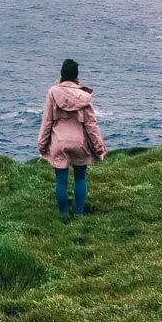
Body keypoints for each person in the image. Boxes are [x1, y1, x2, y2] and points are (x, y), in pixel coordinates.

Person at [38, 59, 107, 218]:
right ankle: (79, 213)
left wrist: (42, 145)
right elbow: (91, 125)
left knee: (61, 180)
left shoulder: (53, 92)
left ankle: (63, 215)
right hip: (80, 143)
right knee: (80, 177)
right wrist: (99, 148)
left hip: (59, 143)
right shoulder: (84, 96)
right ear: (77, 76)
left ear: (61, 74)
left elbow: (47, 121)